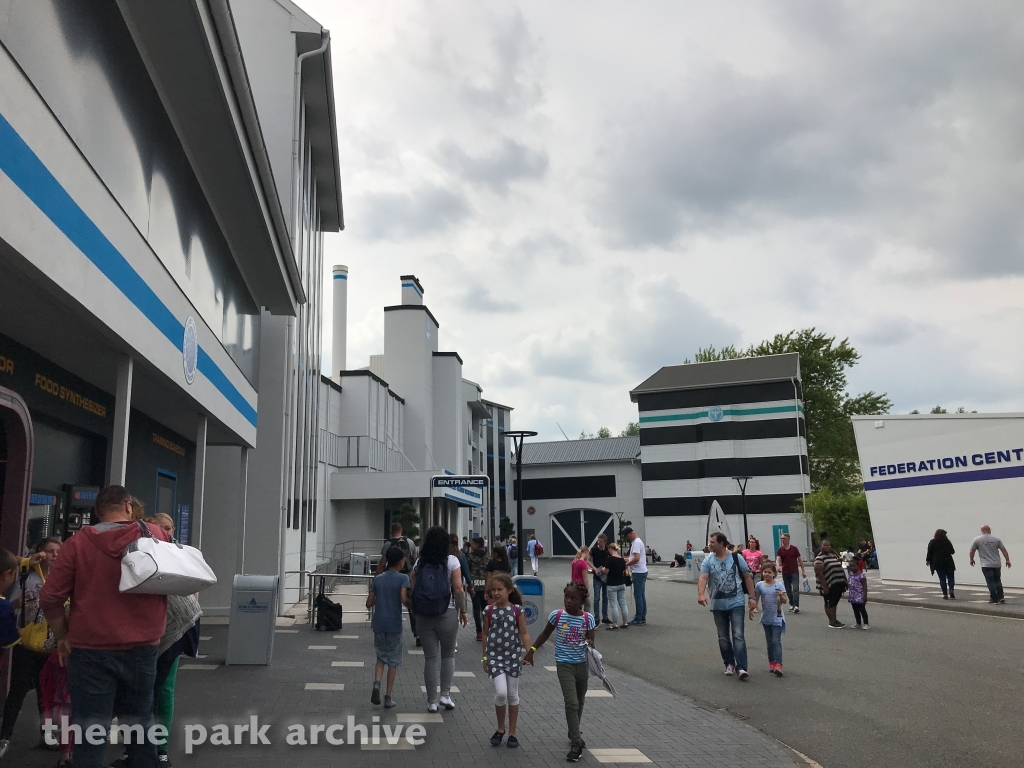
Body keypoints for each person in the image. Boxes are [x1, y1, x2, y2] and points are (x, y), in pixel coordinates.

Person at [38, 485, 170, 768]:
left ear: (97, 513)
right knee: (141, 723)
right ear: (128, 507)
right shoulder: (155, 535)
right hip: (143, 647)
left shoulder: (77, 544)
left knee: (90, 729)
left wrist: (62, 635)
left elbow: (50, 596)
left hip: (89, 650)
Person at [0, 536, 62, 754]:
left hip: (50, 644)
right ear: (40, 554)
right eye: (50, 551)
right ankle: (5, 734)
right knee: (17, 689)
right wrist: (20, 603)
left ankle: (47, 735)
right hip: (26, 643)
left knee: (47, 693)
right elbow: (13, 605)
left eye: (58, 551)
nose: (54, 555)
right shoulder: (27, 578)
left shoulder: (64, 579)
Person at [523, 583, 596, 763]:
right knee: (571, 702)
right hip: (564, 665)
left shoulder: (588, 619)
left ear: (581, 601)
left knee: (579, 701)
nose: (569, 601)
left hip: (582, 665)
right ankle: (576, 743)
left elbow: (591, 642)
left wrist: (592, 645)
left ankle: (573, 733)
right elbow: (544, 635)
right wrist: (531, 651)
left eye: (573, 599)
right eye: (566, 597)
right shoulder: (557, 616)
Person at [410, 526, 468, 713]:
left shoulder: (419, 562)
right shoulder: (452, 561)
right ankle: (445, 695)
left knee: (431, 658)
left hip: (424, 615)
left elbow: (412, 590)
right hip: (447, 612)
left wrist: (415, 611)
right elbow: (458, 589)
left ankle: (431, 702)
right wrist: (463, 611)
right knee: (448, 655)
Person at [698, 532, 757, 680]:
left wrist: (752, 597)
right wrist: (700, 594)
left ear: (722, 543)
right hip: (718, 604)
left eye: (712, 542)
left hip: (736, 602)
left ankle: (741, 667)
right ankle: (729, 663)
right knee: (723, 637)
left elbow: (747, 576)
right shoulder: (708, 560)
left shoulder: (736, 557)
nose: (709, 544)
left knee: (738, 635)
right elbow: (703, 577)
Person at [482, 573, 531, 749]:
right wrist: (485, 656)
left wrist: (529, 652)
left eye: (499, 589)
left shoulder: (517, 610)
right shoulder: (488, 611)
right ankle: (500, 728)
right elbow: (485, 634)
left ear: (509, 591)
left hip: (513, 657)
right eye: (493, 590)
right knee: (501, 693)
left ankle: (512, 732)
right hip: (495, 657)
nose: (496, 593)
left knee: (512, 694)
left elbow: (524, 633)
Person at [367, 546, 411, 709]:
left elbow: (368, 603)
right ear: (400, 562)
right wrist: (412, 607)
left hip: (379, 623)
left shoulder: (378, 579)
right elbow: (403, 598)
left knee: (381, 657)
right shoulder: (402, 578)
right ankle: (388, 696)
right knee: (393, 660)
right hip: (394, 624)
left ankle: (377, 683)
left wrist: (381, 599)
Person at [377, 521, 418, 643]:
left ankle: (389, 631)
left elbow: (382, 563)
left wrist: (377, 578)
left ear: (391, 531)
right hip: (408, 576)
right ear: (402, 531)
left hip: (392, 577)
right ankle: (418, 633)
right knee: (410, 603)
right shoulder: (410, 542)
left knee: (391, 604)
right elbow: (416, 561)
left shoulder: (388, 544)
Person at [751, 562, 787, 676]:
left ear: (774, 574)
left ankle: (778, 664)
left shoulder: (779, 585)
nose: (767, 574)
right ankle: (771, 662)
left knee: (776, 641)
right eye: (765, 572)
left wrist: (781, 595)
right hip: (766, 618)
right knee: (769, 642)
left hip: (777, 617)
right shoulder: (759, 585)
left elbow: (785, 601)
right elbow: (755, 599)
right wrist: (752, 609)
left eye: (769, 572)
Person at [970, 525, 1011, 604]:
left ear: (982, 530)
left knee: (990, 581)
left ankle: (994, 598)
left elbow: (972, 550)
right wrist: (1007, 560)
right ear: (989, 530)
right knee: (997, 580)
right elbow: (1004, 550)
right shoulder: (996, 539)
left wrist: (971, 559)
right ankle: (1001, 597)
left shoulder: (976, 539)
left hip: (986, 564)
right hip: (996, 564)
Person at [813, 539, 849, 628]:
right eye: (824, 545)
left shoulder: (833, 556)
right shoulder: (819, 559)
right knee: (829, 602)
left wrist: (845, 580)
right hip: (828, 584)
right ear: (820, 547)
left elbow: (840, 567)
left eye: (828, 545)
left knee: (834, 602)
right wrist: (825, 587)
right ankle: (831, 621)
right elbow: (819, 574)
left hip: (837, 582)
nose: (826, 547)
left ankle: (835, 619)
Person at [775, 532, 807, 614]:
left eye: (784, 538)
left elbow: (800, 559)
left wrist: (803, 570)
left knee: (795, 589)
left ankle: (796, 605)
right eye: (782, 539)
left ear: (788, 539)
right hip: (785, 572)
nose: (783, 540)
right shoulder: (780, 550)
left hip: (794, 571)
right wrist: (778, 566)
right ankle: (792, 603)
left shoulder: (794, 549)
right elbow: (778, 559)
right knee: (788, 589)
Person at [622, 527, 648, 626]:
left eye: (627, 536)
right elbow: (634, 557)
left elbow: (636, 558)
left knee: (638, 596)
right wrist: (627, 559)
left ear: (631, 533)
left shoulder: (636, 542)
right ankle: (642, 617)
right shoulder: (637, 542)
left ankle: (638, 618)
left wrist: (627, 564)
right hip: (641, 570)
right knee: (641, 595)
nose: (627, 538)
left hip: (638, 571)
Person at [466, 537, 490, 640]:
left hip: (474, 585)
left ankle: (479, 631)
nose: (471, 545)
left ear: (477, 545)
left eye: (473, 543)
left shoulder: (470, 557)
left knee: (476, 608)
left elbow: (467, 569)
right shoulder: (487, 556)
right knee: (485, 609)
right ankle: (486, 630)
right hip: (485, 585)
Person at [602, 542, 629, 629]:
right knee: (623, 603)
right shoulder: (621, 559)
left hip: (612, 584)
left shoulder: (609, 559)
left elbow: (606, 571)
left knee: (614, 604)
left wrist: (602, 569)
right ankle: (625, 622)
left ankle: (615, 623)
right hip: (621, 583)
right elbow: (625, 570)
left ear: (611, 549)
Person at [926, 529, 957, 599]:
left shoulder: (932, 542)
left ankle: (945, 594)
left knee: (942, 578)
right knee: (950, 577)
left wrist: (928, 560)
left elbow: (929, 552)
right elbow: (952, 551)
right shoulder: (947, 542)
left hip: (938, 563)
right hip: (948, 562)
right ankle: (951, 590)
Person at [589, 534, 610, 625]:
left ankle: (605, 617)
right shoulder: (594, 550)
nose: (599, 542)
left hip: (605, 576)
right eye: (598, 541)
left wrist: (607, 567)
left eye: (600, 541)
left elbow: (611, 558)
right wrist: (594, 568)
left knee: (605, 597)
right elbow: (588, 560)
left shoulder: (607, 549)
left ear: (604, 542)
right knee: (597, 598)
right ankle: (596, 617)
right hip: (597, 576)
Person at [848, 557, 869, 630]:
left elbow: (864, 586)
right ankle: (858, 623)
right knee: (855, 610)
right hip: (853, 595)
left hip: (860, 595)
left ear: (858, 566)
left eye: (854, 566)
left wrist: (865, 595)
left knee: (862, 609)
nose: (852, 568)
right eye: (850, 566)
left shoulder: (861, 575)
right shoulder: (850, 574)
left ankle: (866, 623)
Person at [570, 547, 592, 614]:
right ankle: (586, 618)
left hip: (574, 584)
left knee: (577, 603)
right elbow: (585, 578)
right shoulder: (583, 563)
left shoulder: (574, 561)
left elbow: (573, 574)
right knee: (587, 604)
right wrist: (587, 589)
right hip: (581, 585)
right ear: (586, 553)